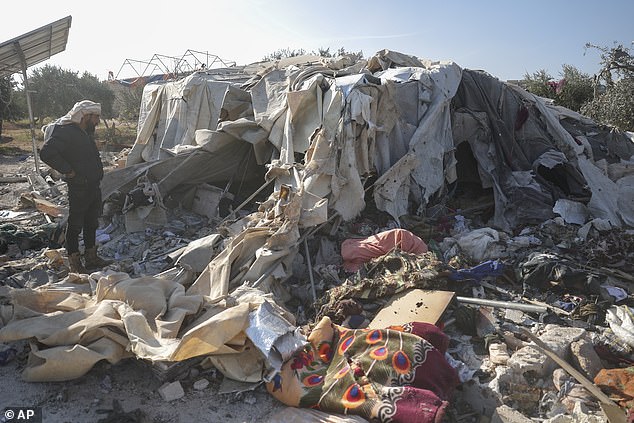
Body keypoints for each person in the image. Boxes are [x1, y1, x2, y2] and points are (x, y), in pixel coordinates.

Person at [40, 100, 112, 274]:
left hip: (93, 186)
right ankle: (75, 261)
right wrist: (69, 171)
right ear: (85, 116)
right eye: (95, 117)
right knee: (75, 224)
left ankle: (91, 258)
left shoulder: (84, 132)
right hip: (79, 187)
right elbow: (46, 153)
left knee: (91, 223)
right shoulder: (67, 132)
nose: (97, 122)